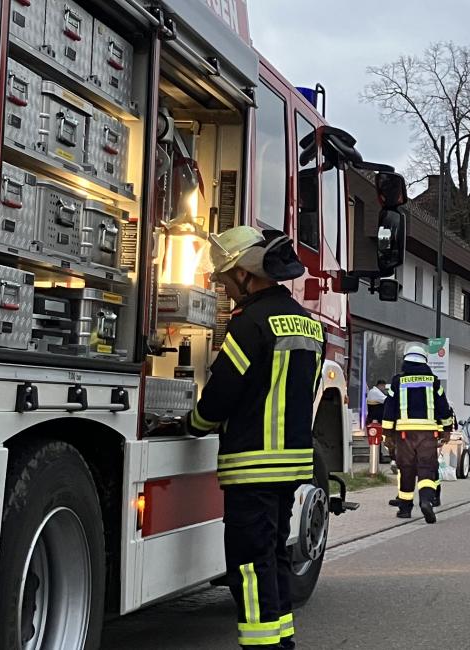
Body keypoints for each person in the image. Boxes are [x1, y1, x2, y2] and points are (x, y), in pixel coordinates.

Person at [185, 226, 317, 649]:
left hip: (252, 466)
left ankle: (261, 646)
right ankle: (281, 640)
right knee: (275, 554)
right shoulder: (308, 324)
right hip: (290, 465)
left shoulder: (250, 326)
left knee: (247, 563)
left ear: (246, 273)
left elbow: (223, 392)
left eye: (225, 278)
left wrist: (192, 424)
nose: (223, 288)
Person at [378, 345, 455, 523]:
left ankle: (405, 509)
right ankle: (426, 501)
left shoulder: (397, 381)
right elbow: (443, 407)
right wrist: (446, 429)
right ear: (424, 361)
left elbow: (389, 408)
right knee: (426, 468)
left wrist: (387, 435)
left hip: (404, 434)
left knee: (406, 469)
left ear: (406, 360)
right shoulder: (433, 381)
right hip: (428, 433)